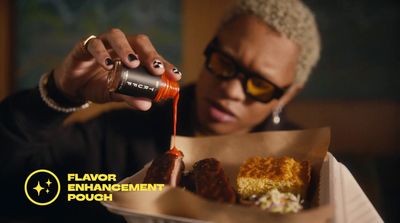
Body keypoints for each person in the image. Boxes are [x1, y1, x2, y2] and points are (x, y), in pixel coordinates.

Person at [0, 0, 320, 222]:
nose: (231, 90)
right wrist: (58, 93)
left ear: (289, 93)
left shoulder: (305, 169)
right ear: (210, 49)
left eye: (260, 85)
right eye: (224, 63)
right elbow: (14, 194)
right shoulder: (119, 134)